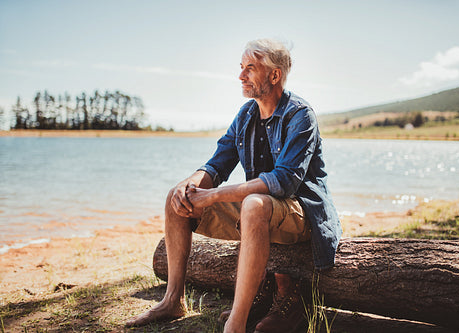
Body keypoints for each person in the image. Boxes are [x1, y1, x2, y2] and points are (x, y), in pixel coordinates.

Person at [126, 38, 342, 333]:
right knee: (176, 199)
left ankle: (236, 324)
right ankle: (172, 300)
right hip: (262, 211)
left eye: (250, 69)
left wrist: (213, 195)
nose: (241, 76)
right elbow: (217, 164)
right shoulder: (246, 115)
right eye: (241, 68)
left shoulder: (300, 115)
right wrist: (189, 186)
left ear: (274, 75)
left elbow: (284, 181)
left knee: (253, 203)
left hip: (303, 213)